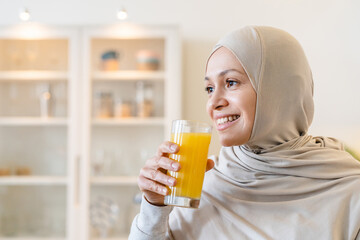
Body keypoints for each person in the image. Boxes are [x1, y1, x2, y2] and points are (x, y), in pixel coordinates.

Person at [129, 25, 360, 240]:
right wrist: (154, 206)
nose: (214, 103)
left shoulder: (350, 195)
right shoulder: (200, 186)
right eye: (210, 89)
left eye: (230, 82)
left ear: (278, 89)